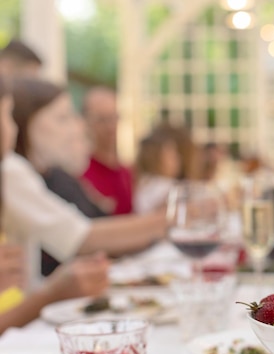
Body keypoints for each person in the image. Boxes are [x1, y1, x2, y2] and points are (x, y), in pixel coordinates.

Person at [3, 77, 166, 283]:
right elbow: (81, 239)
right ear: (25, 121)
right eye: (62, 118)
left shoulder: (48, 174)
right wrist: (170, 219)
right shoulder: (11, 171)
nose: (77, 128)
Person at [82, 86, 133, 215]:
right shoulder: (80, 173)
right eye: (101, 120)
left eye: (114, 117)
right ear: (86, 122)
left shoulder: (127, 171)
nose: (110, 127)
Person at [134, 128, 182, 214]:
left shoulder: (142, 183)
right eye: (171, 156)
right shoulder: (165, 186)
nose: (178, 159)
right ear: (155, 160)